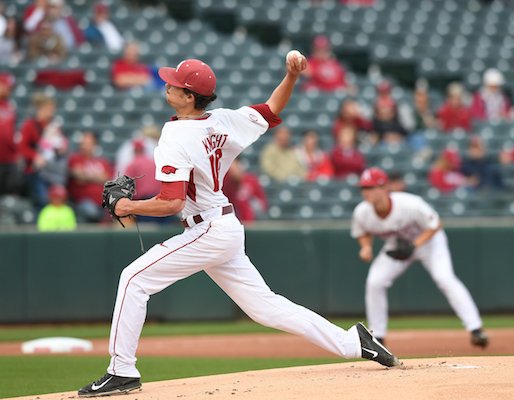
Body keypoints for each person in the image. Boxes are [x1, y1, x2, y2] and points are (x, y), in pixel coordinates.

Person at [77, 55, 400, 397]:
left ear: (189, 97)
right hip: (223, 226)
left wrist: (129, 205)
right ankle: (353, 342)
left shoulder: (175, 136)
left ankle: (121, 370)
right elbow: (273, 108)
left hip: (208, 230)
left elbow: (171, 203)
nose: (167, 85)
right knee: (267, 307)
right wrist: (291, 76)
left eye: (175, 84)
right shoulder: (224, 121)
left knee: (134, 278)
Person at [351, 167, 488, 348]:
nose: (366, 192)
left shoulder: (410, 204)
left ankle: (475, 329)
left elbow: (435, 223)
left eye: (371, 187)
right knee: (375, 282)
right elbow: (363, 231)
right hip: (396, 246)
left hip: (429, 243)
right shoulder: (362, 211)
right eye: (364, 188)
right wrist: (366, 247)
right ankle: (378, 338)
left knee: (444, 278)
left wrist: (414, 245)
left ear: (384, 188)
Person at [18, 93, 59, 206]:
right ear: (40, 109)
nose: (51, 113)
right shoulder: (30, 125)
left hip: (50, 171)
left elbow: (58, 144)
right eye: (49, 109)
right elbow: (22, 147)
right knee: (42, 200)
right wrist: (35, 156)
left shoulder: (52, 126)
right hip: (33, 171)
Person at [67, 131, 113, 222]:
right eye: (82, 143)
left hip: (104, 202)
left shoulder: (102, 162)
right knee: (92, 212)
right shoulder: (75, 158)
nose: (83, 146)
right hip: (83, 202)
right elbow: (79, 177)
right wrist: (98, 177)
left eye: (87, 143)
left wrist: (87, 176)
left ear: (94, 145)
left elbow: (108, 180)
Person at [222, 158, 268, 223]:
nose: (233, 171)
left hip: (254, 218)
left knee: (243, 199)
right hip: (235, 218)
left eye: (235, 167)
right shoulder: (227, 182)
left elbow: (262, 203)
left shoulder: (251, 180)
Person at [0, 72, 18, 195]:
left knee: (7, 194)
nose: (8, 90)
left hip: (8, 159)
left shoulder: (10, 106)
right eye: (6, 86)